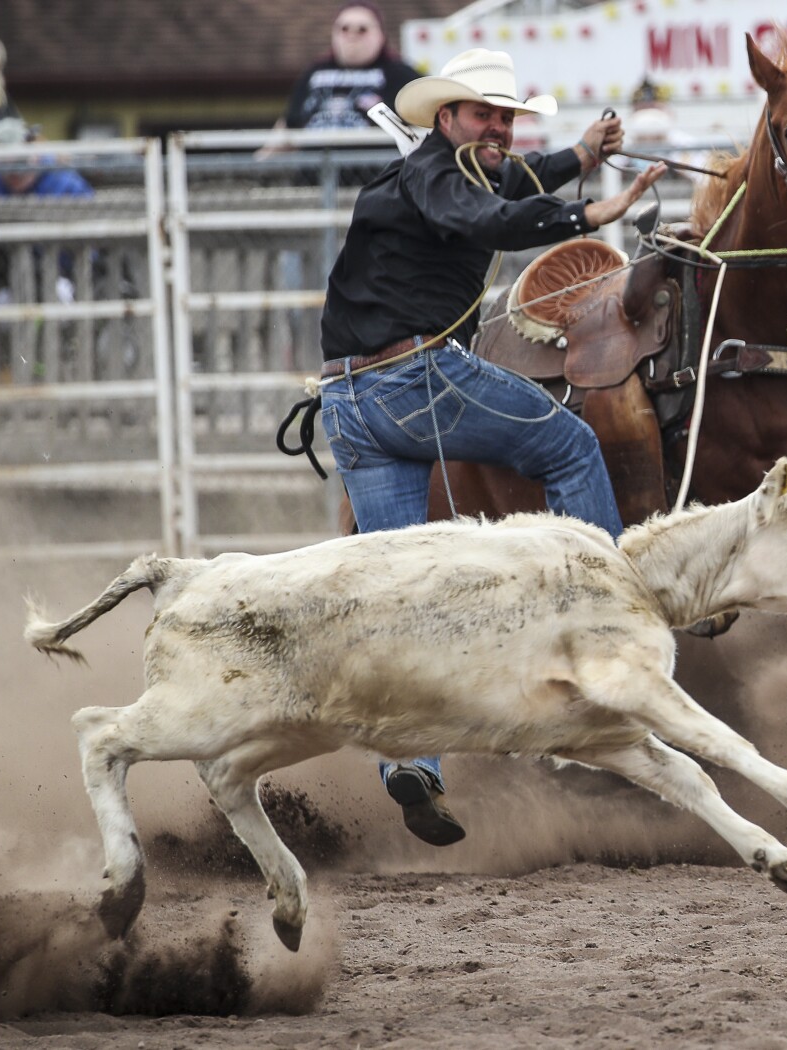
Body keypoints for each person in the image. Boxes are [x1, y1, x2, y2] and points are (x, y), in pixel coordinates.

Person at [317, 47, 666, 846]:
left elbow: (514, 184)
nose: (500, 130)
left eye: (507, 117)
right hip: (414, 383)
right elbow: (480, 219)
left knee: (407, 591)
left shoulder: (454, 171)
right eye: (486, 116)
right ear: (447, 119)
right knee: (573, 448)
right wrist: (588, 216)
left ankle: (415, 764)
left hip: (349, 403)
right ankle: (610, 632)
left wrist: (582, 156)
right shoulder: (435, 180)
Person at [257, 1, 421, 157]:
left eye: (362, 29)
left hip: (375, 179)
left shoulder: (400, 74)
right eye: (344, 28)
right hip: (313, 179)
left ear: (380, 34)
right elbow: (288, 124)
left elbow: (423, 126)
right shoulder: (314, 72)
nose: (352, 35)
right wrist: (256, 164)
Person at [0, 119, 94, 198]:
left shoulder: (67, 186)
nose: (14, 172)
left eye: (20, 161)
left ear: (35, 154)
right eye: (5, 165)